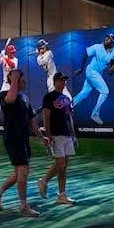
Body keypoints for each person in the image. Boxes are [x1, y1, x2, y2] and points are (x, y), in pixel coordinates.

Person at [0, 68, 49, 217]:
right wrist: (14, 78)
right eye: (22, 80)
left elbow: (33, 123)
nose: (25, 82)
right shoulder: (5, 95)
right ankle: (23, 206)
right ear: (14, 81)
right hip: (12, 138)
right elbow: (10, 99)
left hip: (23, 138)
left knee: (18, 173)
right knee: (23, 171)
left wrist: (42, 137)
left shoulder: (25, 99)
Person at [37, 72, 78, 205]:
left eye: (64, 80)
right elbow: (46, 116)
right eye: (61, 80)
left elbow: (69, 117)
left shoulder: (66, 98)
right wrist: (48, 135)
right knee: (61, 164)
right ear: (55, 82)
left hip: (67, 135)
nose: (63, 83)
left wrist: (73, 135)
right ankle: (44, 180)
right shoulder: (48, 97)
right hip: (56, 135)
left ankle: (62, 195)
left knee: (64, 166)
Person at [71, 33, 114, 124]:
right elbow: (85, 54)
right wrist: (81, 69)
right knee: (105, 91)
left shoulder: (113, 53)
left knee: (84, 93)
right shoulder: (97, 47)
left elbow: (113, 63)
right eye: (106, 37)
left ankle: (70, 105)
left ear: (112, 43)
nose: (106, 39)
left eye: (109, 39)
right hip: (91, 71)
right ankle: (95, 114)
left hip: (97, 74)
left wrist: (112, 68)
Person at [0, 40, 18, 124]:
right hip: (5, 83)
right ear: (8, 52)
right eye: (11, 52)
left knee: (13, 102)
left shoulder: (15, 60)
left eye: (13, 52)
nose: (13, 53)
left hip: (12, 84)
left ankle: (14, 121)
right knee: (0, 101)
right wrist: (0, 55)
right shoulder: (4, 57)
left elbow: (12, 65)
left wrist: (5, 58)